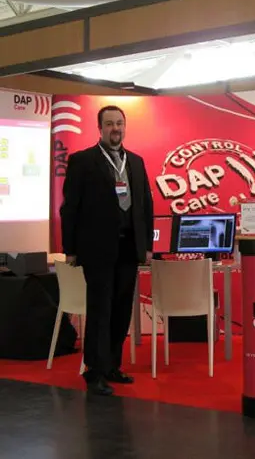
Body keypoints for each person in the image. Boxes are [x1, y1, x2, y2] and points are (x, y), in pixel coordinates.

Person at [60, 105, 154, 396]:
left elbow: (146, 207)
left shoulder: (136, 162)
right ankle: (94, 371)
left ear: (125, 127)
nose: (116, 128)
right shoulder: (83, 161)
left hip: (129, 247)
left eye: (120, 124)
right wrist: (70, 248)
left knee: (122, 309)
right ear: (99, 128)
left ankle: (113, 364)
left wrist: (147, 246)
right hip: (97, 249)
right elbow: (70, 209)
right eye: (110, 124)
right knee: (100, 309)